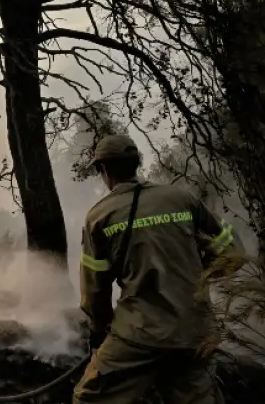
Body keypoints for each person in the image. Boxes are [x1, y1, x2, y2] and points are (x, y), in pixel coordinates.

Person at [73, 134, 244, 404]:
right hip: (194, 330)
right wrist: (201, 273)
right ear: (137, 163)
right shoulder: (181, 198)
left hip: (140, 334)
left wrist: (100, 328)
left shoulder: (100, 216)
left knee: (89, 398)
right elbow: (233, 252)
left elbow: (95, 291)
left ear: (103, 169)